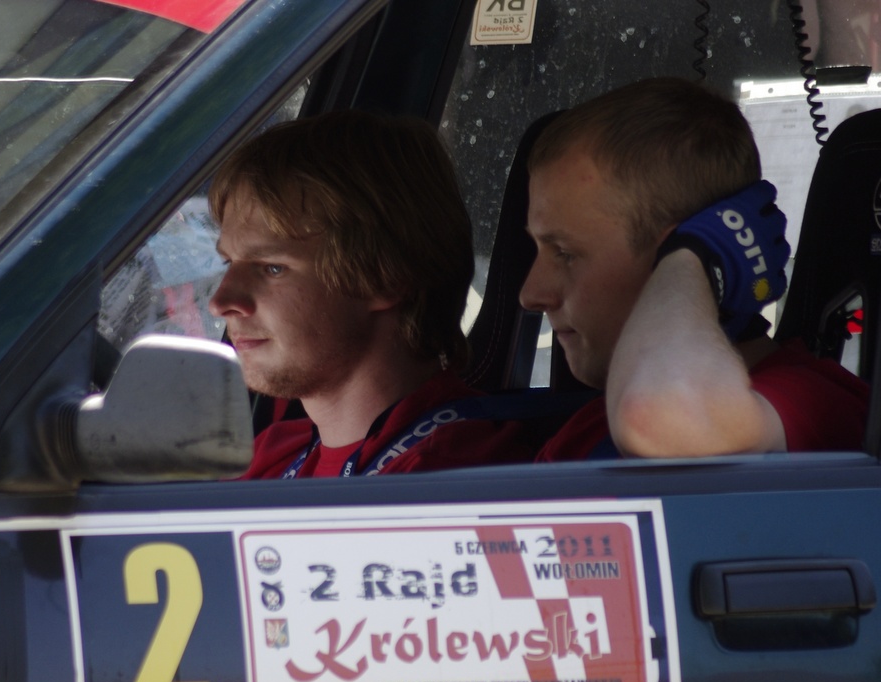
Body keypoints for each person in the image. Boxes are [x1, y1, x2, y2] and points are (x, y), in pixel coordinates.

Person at [519, 77, 869, 460]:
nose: (531, 295)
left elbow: (658, 419)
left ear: (672, 259)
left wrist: (700, 256)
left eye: (565, 253)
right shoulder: (587, 429)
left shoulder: (810, 403)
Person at [208, 110, 533, 478]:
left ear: (384, 278)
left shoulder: (448, 479)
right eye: (228, 262)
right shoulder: (278, 451)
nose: (220, 303)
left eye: (272, 268)